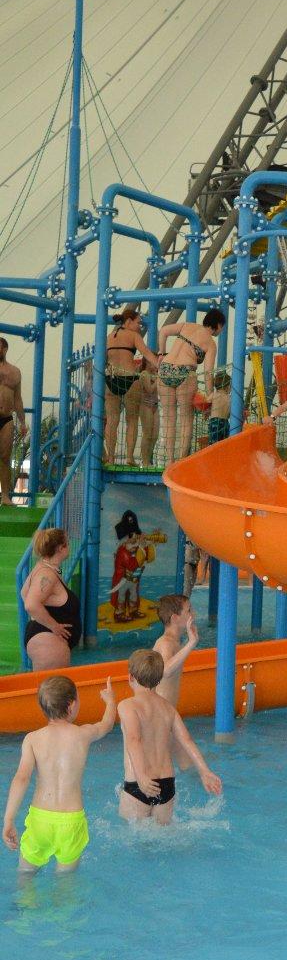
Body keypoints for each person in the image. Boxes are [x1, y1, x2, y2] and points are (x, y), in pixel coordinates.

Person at [3, 675, 116, 874]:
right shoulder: (83, 734)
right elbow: (106, 724)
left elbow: (21, 779)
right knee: (65, 880)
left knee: (26, 874)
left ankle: (25, 895)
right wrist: (110, 701)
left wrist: (9, 820)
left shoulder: (32, 739)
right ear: (71, 706)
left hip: (40, 819)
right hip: (71, 820)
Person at [117, 648, 222, 825]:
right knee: (162, 833)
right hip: (167, 784)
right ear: (160, 679)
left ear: (130, 677)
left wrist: (141, 776)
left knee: (132, 834)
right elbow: (186, 740)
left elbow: (134, 740)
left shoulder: (127, 706)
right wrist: (204, 771)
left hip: (140, 782)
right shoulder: (168, 708)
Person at [157, 307, 225, 465]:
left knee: (169, 418)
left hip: (165, 370)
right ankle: (181, 461)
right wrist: (209, 395)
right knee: (186, 418)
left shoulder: (187, 325)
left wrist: (161, 353)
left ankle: (169, 460)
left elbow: (164, 331)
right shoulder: (211, 344)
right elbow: (208, 373)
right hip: (186, 372)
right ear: (218, 325)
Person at [21, 526, 81, 670]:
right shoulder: (46, 574)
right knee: (53, 685)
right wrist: (54, 626)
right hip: (48, 643)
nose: (69, 547)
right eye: (68, 543)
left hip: (46, 640)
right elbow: (30, 604)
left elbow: (24, 593)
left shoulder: (43, 568)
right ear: (61, 548)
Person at [102, 307, 157, 465]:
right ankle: (129, 457)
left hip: (111, 379)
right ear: (128, 321)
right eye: (138, 323)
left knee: (112, 420)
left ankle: (110, 458)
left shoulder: (109, 337)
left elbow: (103, 360)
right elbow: (147, 353)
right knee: (132, 420)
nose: (140, 326)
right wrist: (161, 367)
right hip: (130, 379)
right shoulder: (133, 335)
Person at [152, 594, 199, 707]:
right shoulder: (165, 643)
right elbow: (166, 671)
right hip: (159, 711)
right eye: (189, 610)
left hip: (166, 709)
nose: (194, 613)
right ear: (175, 618)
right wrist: (191, 643)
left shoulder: (175, 642)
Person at [0, 335, 26, 504]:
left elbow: (18, 399)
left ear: (5, 349)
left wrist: (22, 422)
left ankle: (5, 495)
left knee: (5, 457)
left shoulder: (14, 372)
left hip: (7, 418)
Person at [135, 360, 159, 469]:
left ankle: (148, 459)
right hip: (145, 405)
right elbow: (150, 390)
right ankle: (144, 462)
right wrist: (158, 380)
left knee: (154, 436)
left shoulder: (155, 374)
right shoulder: (144, 374)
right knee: (147, 434)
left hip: (155, 405)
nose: (155, 364)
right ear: (148, 363)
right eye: (153, 362)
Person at [207, 370, 232, 444]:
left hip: (215, 422)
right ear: (227, 386)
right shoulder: (230, 398)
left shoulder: (213, 395)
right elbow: (230, 414)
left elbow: (205, 404)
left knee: (213, 444)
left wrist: (206, 412)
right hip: (225, 423)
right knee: (224, 444)